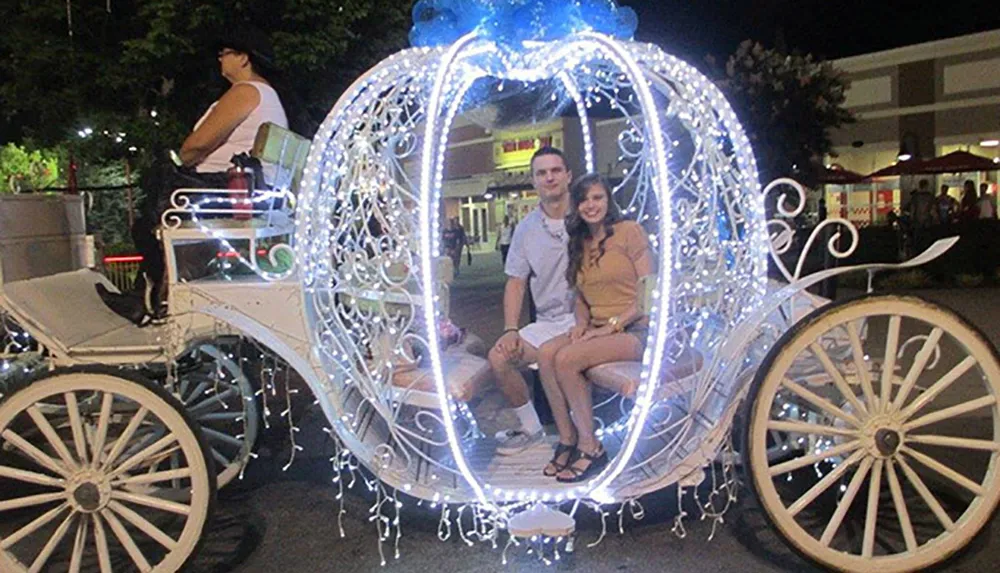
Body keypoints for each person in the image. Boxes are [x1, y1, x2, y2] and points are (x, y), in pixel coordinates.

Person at [97, 25, 289, 324]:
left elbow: (198, 144)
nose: (219, 60)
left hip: (224, 192)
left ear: (244, 59)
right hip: (249, 191)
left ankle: (152, 300)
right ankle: (149, 297)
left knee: (149, 221)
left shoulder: (246, 91)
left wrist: (184, 158)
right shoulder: (267, 94)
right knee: (157, 215)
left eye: (225, 54)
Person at [547, 174, 652, 483]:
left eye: (597, 198)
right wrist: (581, 324)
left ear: (608, 200)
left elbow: (649, 293)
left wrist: (611, 327)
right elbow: (580, 295)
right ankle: (568, 439)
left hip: (634, 330)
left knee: (566, 359)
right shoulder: (579, 242)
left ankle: (590, 446)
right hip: (597, 329)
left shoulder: (629, 232)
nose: (590, 205)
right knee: (545, 353)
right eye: (584, 200)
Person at [488, 147, 577, 462]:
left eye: (555, 170)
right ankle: (532, 429)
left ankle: (579, 436)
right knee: (499, 357)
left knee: (562, 359)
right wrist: (511, 329)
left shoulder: (587, 216)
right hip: (550, 323)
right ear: (534, 181)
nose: (549, 177)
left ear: (568, 175)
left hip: (586, 323)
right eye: (541, 173)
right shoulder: (526, 228)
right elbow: (516, 281)